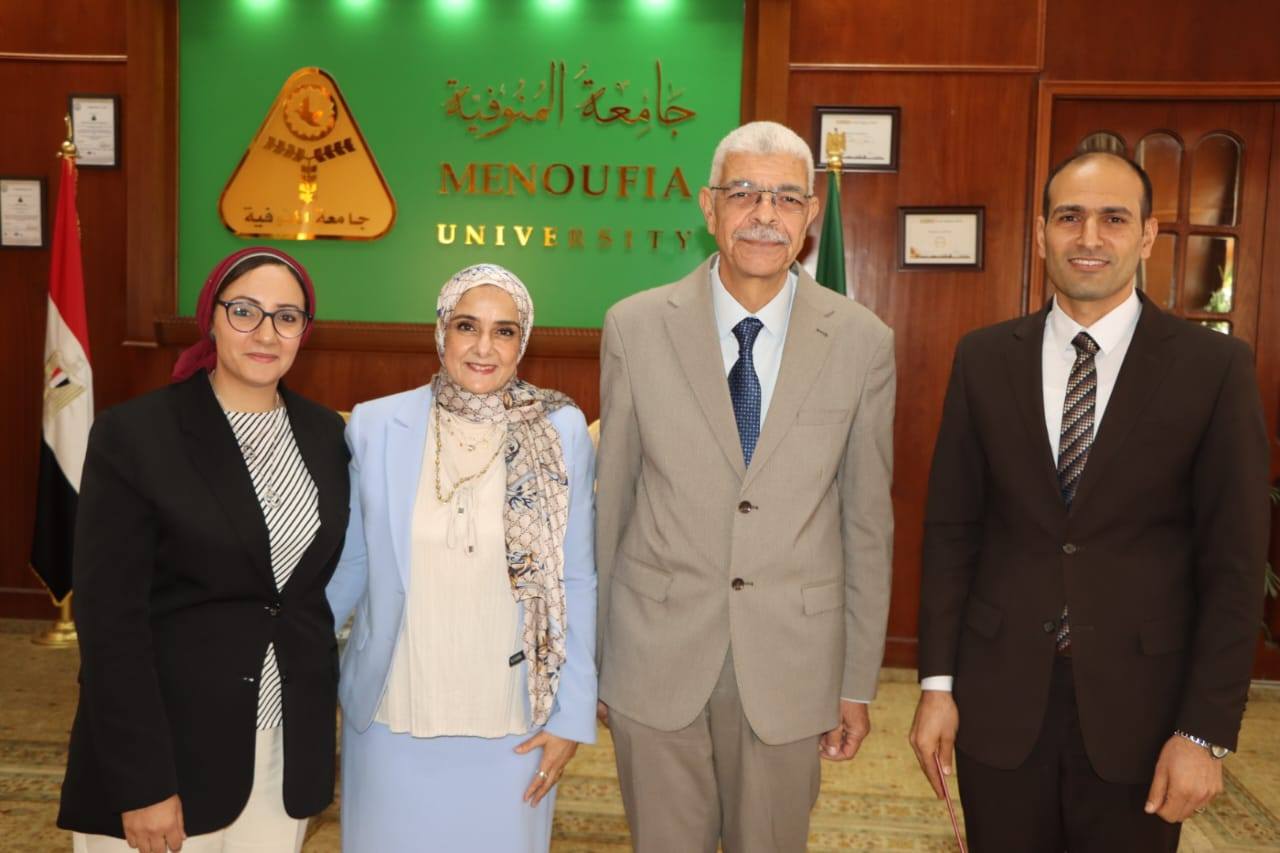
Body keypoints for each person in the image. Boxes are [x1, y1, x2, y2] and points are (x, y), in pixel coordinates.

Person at [909, 151, 1270, 852]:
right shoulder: (983, 358)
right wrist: (937, 685)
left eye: (1114, 218)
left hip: (1144, 714)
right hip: (998, 702)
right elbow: (952, 531)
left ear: (1148, 234)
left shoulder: (1213, 368)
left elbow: (1234, 564)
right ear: (1041, 233)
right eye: (1069, 217)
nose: (1089, 237)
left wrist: (1204, 733)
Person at [594, 120, 896, 851]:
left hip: (792, 662)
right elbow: (612, 502)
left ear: (810, 216)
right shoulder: (635, 326)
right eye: (744, 194)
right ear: (709, 207)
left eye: (787, 198)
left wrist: (855, 680)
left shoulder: (862, 341)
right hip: (655, 653)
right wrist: (597, 661)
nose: (765, 214)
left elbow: (866, 522)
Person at [58, 247, 351, 853]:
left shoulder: (327, 435)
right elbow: (110, 623)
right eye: (244, 311)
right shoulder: (136, 435)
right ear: (210, 318)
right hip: (167, 750)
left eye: (287, 317)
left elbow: (305, 595)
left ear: (304, 331)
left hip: (282, 746)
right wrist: (142, 784)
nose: (266, 333)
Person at [326, 263, 597, 852]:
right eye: (467, 326)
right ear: (441, 331)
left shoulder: (560, 431)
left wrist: (572, 715)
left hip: (513, 718)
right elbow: (352, 564)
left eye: (504, 331)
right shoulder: (376, 424)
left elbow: (576, 578)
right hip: (394, 708)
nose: (483, 347)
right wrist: (292, 659)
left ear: (522, 342)